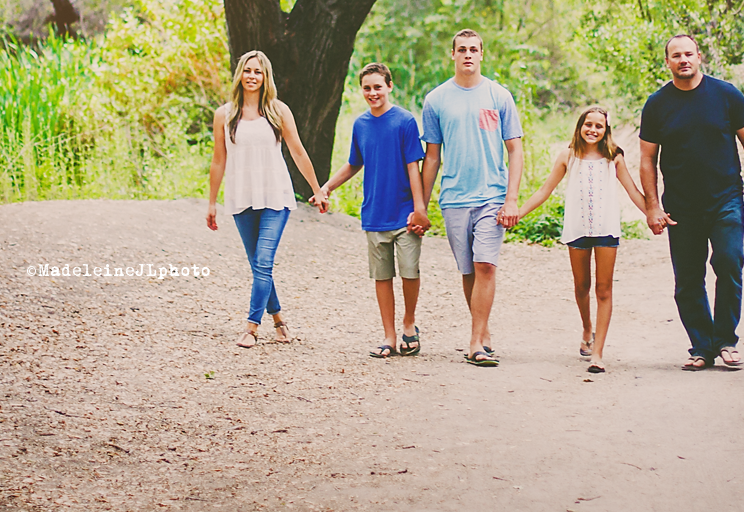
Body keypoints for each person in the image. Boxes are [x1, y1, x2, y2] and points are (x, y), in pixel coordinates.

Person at [639, 33, 744, 371]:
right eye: (676, 56)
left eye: (688, 54)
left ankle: (726, 340)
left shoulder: (726, 95)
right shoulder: (657, 105)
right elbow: (647, 158)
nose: (683, 60)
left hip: (725, 198)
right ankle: (701, 346)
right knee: (688, 279)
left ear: (699, 57)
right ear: (667, 62)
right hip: (680, 207)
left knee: (729, 261)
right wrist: (652, 206)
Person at [206, 50, 325, 348]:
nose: (251, 76)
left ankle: (251, 327)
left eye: (257, 71)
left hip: (276, 196)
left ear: (265, 76)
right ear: (239, 75)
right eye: (247, 71)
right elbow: (218, 161)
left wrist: (317, 188)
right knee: (260, 266)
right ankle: (280, 322)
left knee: (263, 262)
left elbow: (297, 150)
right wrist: (211, 202)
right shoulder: (225, 114)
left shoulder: (278, 111)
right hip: (241, 197)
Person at [420, 29, 523, 367]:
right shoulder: (436, 100)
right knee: (468, 270)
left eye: (473, 49)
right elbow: (432, 156)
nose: (468, 55)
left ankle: (475, 342)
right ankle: (483, 331)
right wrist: (420, 205)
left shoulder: (499, 96)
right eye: (461, 49)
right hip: (454, 198)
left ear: (482, 54)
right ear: (452, 54)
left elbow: (515, 150)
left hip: (492, 195)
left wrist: (511, 199)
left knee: (485, 266)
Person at [518, 105, 647, 373]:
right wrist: (518, 213)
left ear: (606, 130)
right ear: (580, 126)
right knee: (582, 286)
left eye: (599, 126)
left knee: (604, 288)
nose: (593, 130)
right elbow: (545, 189)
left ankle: (598, 352)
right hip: (577, 230)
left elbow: (633, 190)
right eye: (588, 124)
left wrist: (653, 213)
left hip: (606, 229)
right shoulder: (568, 156)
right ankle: (587, 328)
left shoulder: (615, 157)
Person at [320, 62, 432, 359]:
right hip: (374, 213)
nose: (373, 93)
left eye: (378, 87)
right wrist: (327, 187)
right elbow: (354, 163)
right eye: (367, 88)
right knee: (382, 276)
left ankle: (409, 322)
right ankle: (389, 335)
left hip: (405, 213)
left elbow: (413, 166)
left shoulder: (405, 121)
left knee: (409, 271)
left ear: (389, 86)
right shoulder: (361, 125)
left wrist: (419, 209)